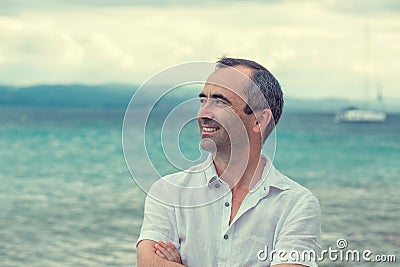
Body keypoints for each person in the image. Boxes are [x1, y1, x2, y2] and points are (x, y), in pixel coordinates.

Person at [136, 57, 322, 266]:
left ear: (260, 120)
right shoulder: (168, 192)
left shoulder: (297, 205)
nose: (203, 113)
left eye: (220, 102)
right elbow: (148, 262)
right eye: (203, 100)